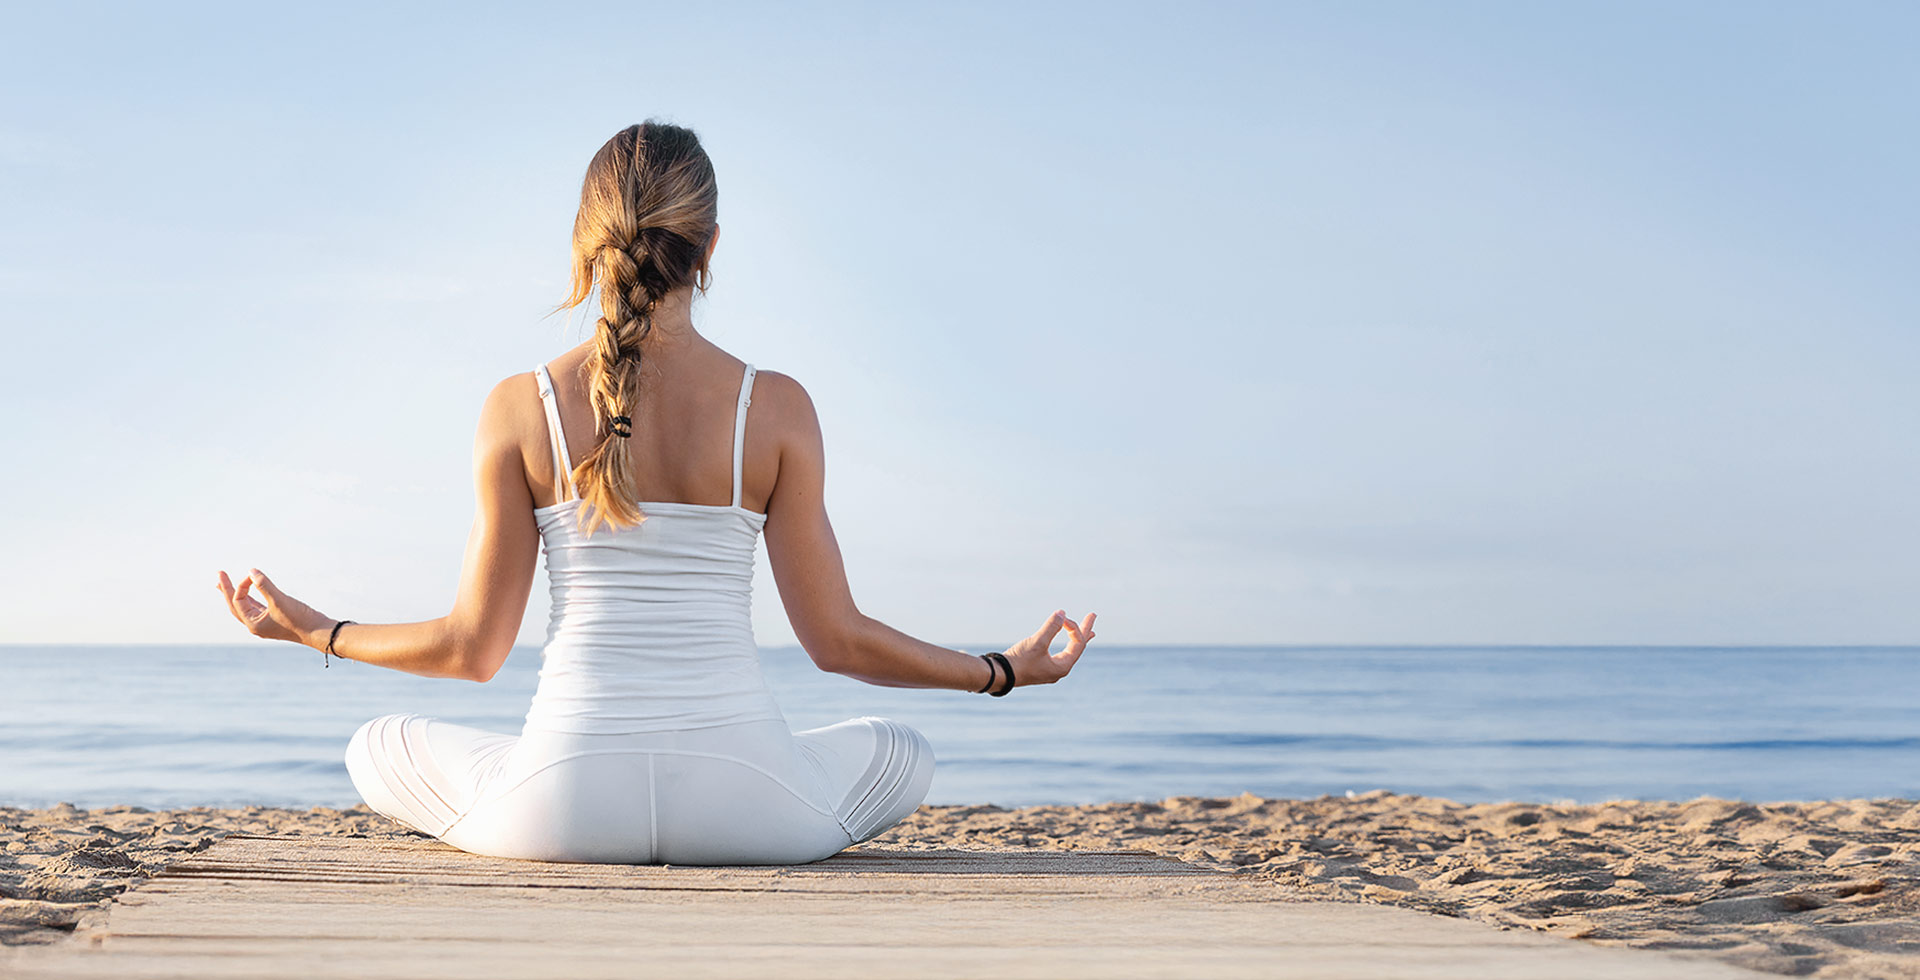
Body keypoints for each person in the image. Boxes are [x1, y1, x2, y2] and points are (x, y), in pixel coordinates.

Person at [214, 120, 1096, 865]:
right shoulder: (775, 406)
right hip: (752, 810)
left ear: (582, 240)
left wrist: (312, 629)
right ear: (710, 246)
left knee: (377, 745)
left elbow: (471, 650)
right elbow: (838, 642)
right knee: (905, 752)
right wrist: (1002, 671)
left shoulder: (521, 406)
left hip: (559, 807)